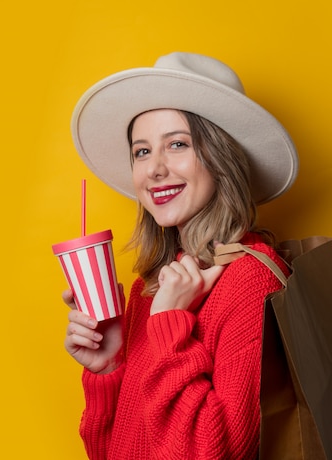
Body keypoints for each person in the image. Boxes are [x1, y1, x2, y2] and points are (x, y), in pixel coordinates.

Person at [61, 52, 298, 459]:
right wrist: (110, 366)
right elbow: (113, 452)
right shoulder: (151, 287)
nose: (154, 169)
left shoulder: (252, 281)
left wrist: (170, 326)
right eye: (141, 151)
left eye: (177, 144)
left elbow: (210, 452)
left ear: (220, 159)